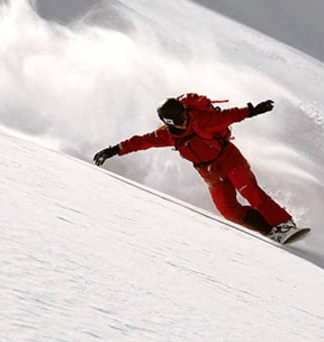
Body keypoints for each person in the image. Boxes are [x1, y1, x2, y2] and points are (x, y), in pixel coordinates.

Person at [93, 93, 302, 243]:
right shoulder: (168, 136)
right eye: (181, 120)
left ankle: (285, 223)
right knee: (228, 211)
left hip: (228, 158)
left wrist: (253, 110)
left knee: (248, 190)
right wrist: (113, 151)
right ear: (170, 123)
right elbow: (141, 142)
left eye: (185, 115)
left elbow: (228, 116)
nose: (186, 121)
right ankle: (270, 230)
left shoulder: (201, 121)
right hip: (209, 173)